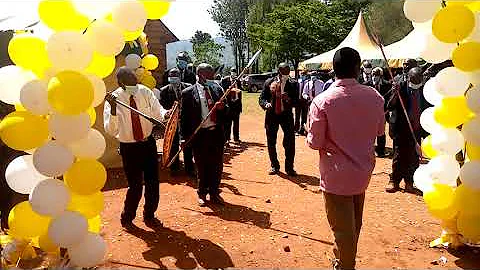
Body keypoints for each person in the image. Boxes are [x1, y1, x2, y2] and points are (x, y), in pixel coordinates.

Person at [307, 47, 385, 270]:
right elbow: (380, 132)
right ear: (358, 69)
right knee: (353, 224)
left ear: (333, 70)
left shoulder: (322, 101)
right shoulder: (374, 96)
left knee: (343, 230)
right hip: (363, 173)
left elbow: (315, 143)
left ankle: (345, 265)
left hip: (336, 176)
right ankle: (342, 258)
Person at [104, 67, 167, 229]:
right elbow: (111, 130)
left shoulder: (144, 91)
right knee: (135, 185)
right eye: (130, 82)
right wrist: (112, 109)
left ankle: (149, 214)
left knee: (153, 182)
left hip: (148, 144)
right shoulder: (114, 99)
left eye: (135, 80)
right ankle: (127, 217)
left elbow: (157, 111)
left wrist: (165, 115)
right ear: (120, 83)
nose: (135, 84)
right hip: (129, 148)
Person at [180, 63, 228, 207]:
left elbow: (226, 111)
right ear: (201, 75)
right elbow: (184, 118)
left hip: (216, 134)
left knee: (217, 165)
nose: (213, 77)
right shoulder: (188, 93)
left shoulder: (216, 88)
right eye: (210, 74)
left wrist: (222, 107)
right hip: (199, 136)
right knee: (202, 166)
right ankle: (202, 193)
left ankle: (214, 193)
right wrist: (183, 137)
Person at [387, 67, 426, 193]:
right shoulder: (401, 88)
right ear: (408, 78)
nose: (416, 82)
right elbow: (390, 106)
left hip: (416, 129)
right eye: (414, 80)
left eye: (419, 79)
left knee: (413, 157)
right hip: (401, 128)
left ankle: (409, 182)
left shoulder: (425, 90)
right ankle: (394, 180)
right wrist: (394, 94)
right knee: (399, 155)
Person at [259, 63, 298, 176]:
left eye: (288, 71)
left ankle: (289, 168)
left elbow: (296, 102)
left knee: (290, 141)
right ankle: (274, 166)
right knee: (271, 141)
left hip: (287, 116)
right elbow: (262, 98)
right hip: (272, 116)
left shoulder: (293, 84)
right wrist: (266, 104)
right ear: (279, 71)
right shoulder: (269, 82)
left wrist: (289, 99)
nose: (287, 73)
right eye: (284, 71)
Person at [159, 68, 192, 173]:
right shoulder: (164, 91)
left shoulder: (188, 88)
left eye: (175, 76)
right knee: (173, 144)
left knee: (187, 144)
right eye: (171, 77)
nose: (173, 79)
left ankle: (189, 167)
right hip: (172, 122)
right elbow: (162, 106)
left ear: (180, 77)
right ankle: (175, 168)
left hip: (186, 122)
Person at [372, 67, 392, 158]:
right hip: (369, 113)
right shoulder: (366, 85)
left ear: (381, 76)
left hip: (383, 112)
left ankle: (381, 151)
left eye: (376, 75)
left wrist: (386, 110)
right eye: (373, 75)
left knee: (381, 131)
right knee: (370, 132)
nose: (374, 77)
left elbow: (389, 98)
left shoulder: (387, 85)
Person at [221, 68, 243, 143]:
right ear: (230, 72)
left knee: (236, 123)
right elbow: (223, 91)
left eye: (235, 72)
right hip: (228, 105)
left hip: (236, 104)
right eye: (232, 71)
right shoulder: (225, 80)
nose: (234, 73)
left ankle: (236, 138)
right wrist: (230, 90)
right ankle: (227, 138)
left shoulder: (238, 81)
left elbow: (240, 90)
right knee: (228, 123)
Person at [295, 71, 310, 136]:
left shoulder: (308, 83)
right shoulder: (298, 82)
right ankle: (296, 130)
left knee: (304, 116)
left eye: (304, 74)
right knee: (297, 116)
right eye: (302, 74)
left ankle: (302, 129)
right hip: (298, 101)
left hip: (305, 101)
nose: (303, 75)